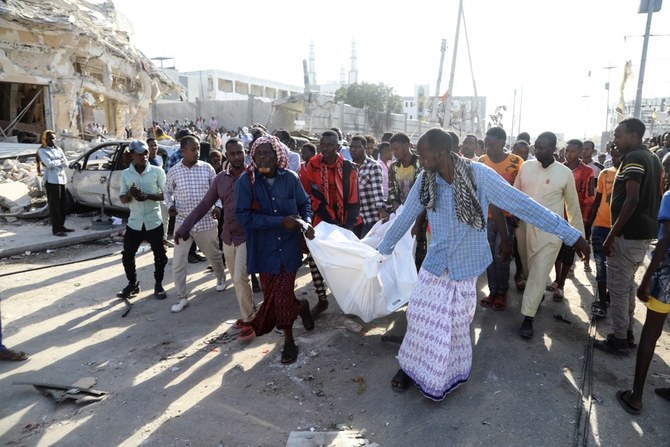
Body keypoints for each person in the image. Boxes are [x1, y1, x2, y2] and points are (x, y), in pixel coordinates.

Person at [377, 128, 588, 400]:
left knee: (452, 327)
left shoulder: (480, 176)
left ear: (441, 153)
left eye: (424, 154)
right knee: (417, 316)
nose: (420, 159)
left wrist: (573, 236)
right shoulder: (425, 179)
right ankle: (408, 367)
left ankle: (441, 377)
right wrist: (379, 251)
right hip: (435, 262)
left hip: (465, 266)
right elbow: (406, 216)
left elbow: (525, 206)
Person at [236, 135, 316, 364]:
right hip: (264, 251)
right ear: (254, 157)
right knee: (278, 295)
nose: (263, 158)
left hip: (289, 248)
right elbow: (244, 217)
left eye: (267, 153)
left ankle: (288, 340)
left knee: (281, 297)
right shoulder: (247, 182)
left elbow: (304, 205)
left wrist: (307, 221)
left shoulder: (290, 178)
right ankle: (301, 307)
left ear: (277, 154)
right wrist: (280, 222)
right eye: (259, 154)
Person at [176, 138, 256, 338]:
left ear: (245, 153)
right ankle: (249, 313)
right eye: (232, 153)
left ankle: (250, 321)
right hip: (227, 237)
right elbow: (205, 205)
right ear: (226, 156)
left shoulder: (254, 176)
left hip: (248, 236)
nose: (237, 157)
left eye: (240, 152)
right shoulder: (220, 179)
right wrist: (184, 227)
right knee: (237, 280)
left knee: (240, 277)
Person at [596, 118, 662, 355]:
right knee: (626, 286)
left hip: (628, 235)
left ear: (633, 135)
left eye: (618, 135)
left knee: (618, 288)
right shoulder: (652, 157)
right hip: (641, 234)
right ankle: (628, 333)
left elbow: (632, 199)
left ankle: (618, 338)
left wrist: (612, 235)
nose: (615, 140)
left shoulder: (634, 158)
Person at [514, 132, 585, 338]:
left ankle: (528, 317)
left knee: (539, 270)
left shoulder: (564, 173)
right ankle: (535, 297)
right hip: (524, 228)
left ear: (554, 148)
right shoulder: (526, 167)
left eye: (542, 148)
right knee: (529, 269)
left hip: (549, 233)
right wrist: (512, 217)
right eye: (536, 147)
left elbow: (572, 207)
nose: (537, 151)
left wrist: (578, 238)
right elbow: (515, 194)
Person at [616, 153, 670, 415]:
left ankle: (636, 396)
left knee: (650, 333)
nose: (665, 178)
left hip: (666, 279)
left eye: (667, 172)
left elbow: (664, 242)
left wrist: (646, 280)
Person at [300, 130, 360, 317]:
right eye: (322, 144)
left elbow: (353, 197)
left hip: (345, 221)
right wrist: (330, 220)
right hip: (321, 220)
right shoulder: (314, 165)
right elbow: (314, 194)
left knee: (345, 262)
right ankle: (322, 299)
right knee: (314, 259)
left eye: (330, 145)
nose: (325, 148)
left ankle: (349, 300)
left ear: (337, 146)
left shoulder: (349, 167)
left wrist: (346, 226)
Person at [165, 135, 227, 313]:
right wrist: (170, 206)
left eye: (198, 148)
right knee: (178, 262)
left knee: (214, 255)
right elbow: (167, 192)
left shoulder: (207, 169)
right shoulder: (174, 171)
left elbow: (219, 192)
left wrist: (218, 207)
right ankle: (181, 296)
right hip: (183, 223)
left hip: (206, 221)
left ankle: (220, 277)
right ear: (183, 151)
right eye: (193, 149)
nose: (197, 152)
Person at [478, 127, 523, 311]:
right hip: (486, 218)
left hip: (507, 218)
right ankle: (493, 290)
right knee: (489, 256)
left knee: (502, 254)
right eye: (487, 144)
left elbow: (521, 190)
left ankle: (502, 292)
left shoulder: (517, 162)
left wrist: (517, 214)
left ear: (503, 142)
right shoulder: (481, 162)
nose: (489, 148)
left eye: (493, 144)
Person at [117, 140, 168, 300]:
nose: (144, 157)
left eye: (146, 153)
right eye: (140, 154)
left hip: (154, 221)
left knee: (160, 255)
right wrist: (131, 194)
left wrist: (147, 196)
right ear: (132, 155)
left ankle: (158, 284)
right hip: (135, 222)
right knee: (127, 255)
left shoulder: (157, 172)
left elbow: (167, 194)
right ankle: (132, 284)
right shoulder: (125, 174)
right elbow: (123, 199)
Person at [550, 139, 594, 300]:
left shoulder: (587, 171)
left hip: (574, 218)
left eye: (572, 151)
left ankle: (561, 285)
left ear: (580, 152)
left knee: (569, 252)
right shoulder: (558, 168)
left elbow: (589, 198)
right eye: (567, 151)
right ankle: (556, 278)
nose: (568, 154)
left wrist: (584, 221)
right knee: (556, 251)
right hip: (556, 217)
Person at [588, 146, 621, 318]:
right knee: (600, 265)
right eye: (614, 156)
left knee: (616, 267)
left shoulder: (633, 176)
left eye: (619, 155)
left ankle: (609, 297)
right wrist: (588, 225)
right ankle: (601, 302)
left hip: (621, 230)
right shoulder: (605, 173)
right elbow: (597, 200)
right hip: (600, 226)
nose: (616, 159)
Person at [38, 130, 73, 237]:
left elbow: (66, 163)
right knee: (55, 206)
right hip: (52, 180)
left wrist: (56, 161)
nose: (53, 140)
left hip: (62, 179)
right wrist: (59, 161)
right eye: (50, 139)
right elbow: (49, 164)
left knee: (63, 204)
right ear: (45, 139)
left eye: (54, 138)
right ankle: (56, 229)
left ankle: (61, 226)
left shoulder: (58, 149)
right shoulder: (42, 150)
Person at [350, 135, 385, 238]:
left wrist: (381, 209)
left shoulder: (373, 166)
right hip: (354, 219)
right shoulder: (349, 166)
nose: (353, 150)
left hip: (370, 217)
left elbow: (377, 191)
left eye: (356, 147)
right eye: (351, 147)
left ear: (364, 148)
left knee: (366, 249)